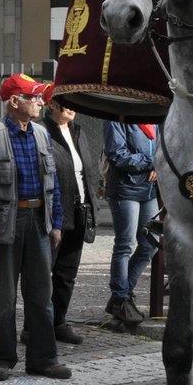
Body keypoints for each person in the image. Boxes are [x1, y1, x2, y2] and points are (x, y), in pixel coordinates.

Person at [0, 74, 70, 381]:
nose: (40, 102)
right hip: (3, 226)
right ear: (15, 101)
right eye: (34, 97)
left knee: (42, 296)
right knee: (3, 297)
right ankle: (0, 358)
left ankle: (44, 358)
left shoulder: (40, 134)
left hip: (39, 221)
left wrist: (56, 223)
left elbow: (52, 185)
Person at [42, 87, 98, 345]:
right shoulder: (42, 132)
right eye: (67, 103)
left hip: (79, 209)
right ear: (52, 104)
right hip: (54, 210)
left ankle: (58, 322)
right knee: (45, 272)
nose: (72, 107)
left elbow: (86, 172)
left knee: (67, 273)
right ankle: (36, 325)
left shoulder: (78, 131)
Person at [102, 119, 157, 327]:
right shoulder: (117, 118)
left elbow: (162, 150)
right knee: (125, 244)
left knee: (150, 244)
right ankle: (121, 297)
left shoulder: (155, 119)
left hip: (149, 190)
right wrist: (151, 161)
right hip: (125, 189)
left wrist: (159, 165)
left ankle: (121, 294)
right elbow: (117, 155)